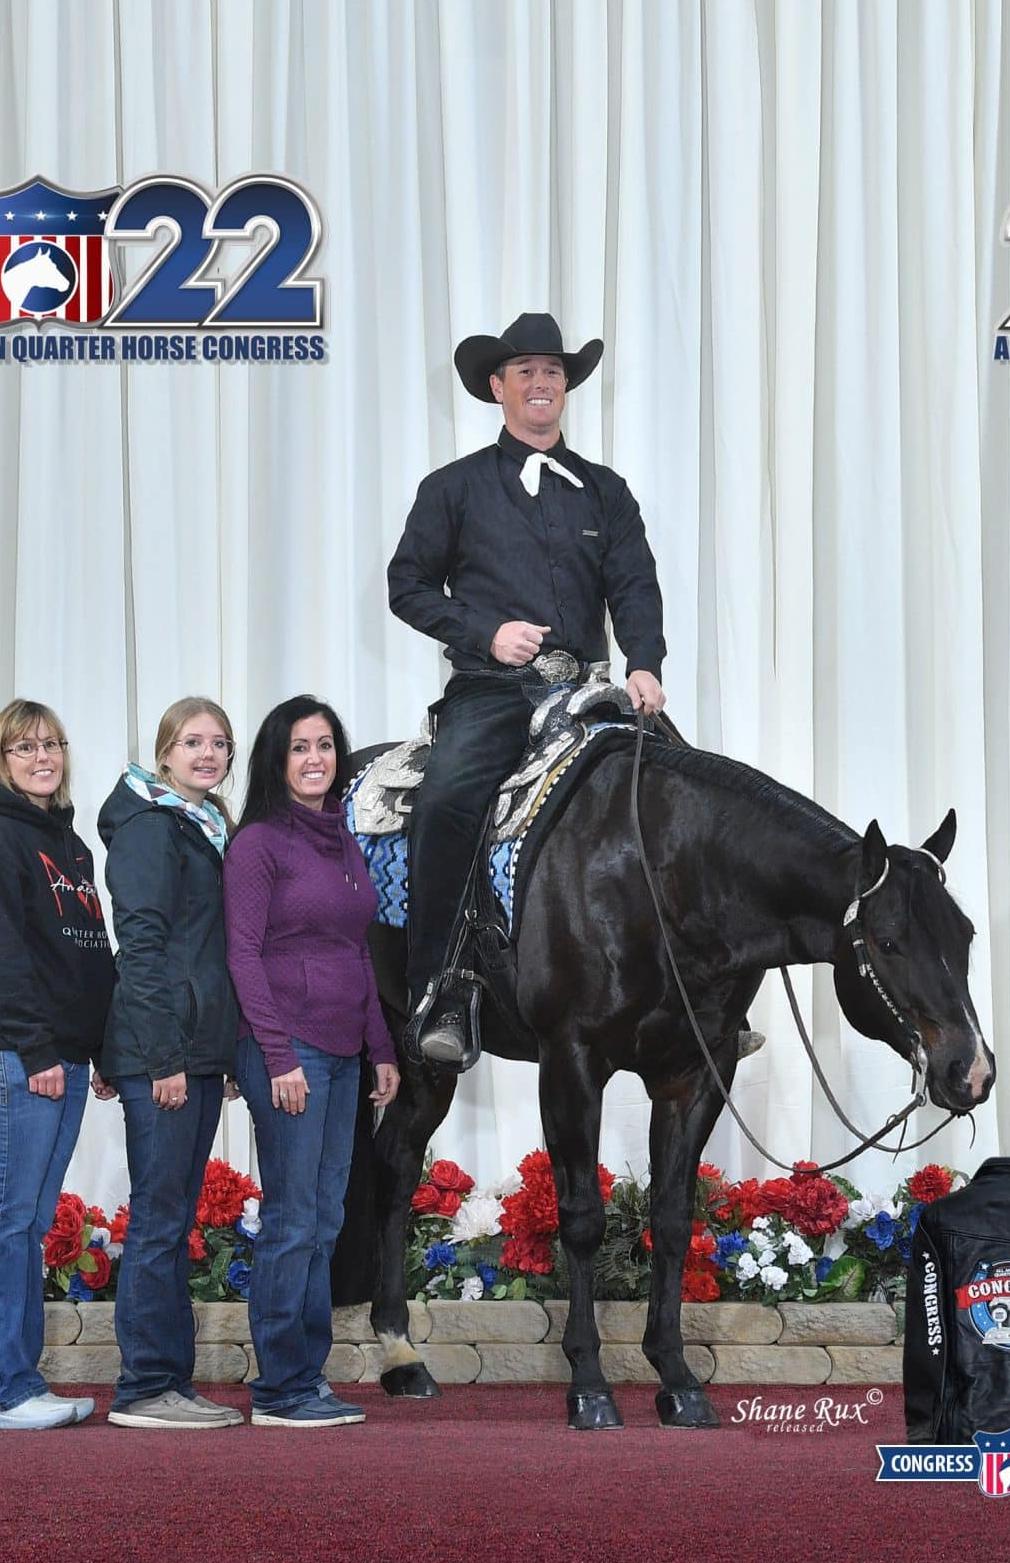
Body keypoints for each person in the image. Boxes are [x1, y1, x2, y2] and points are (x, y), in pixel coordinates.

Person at [386, 312, 666, 1068]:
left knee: (680, 794)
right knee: (446, 801)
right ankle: (438, 987)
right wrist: (485, 632)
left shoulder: (604, 492)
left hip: (586, 689)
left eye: (553, 372)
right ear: (497, 387)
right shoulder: (454, 488)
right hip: (493, 687)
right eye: (527, 372)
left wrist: (645, 662)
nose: (542, 384)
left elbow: (634, 584)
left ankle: (684, 995)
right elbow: (406, 585)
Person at [224, 696, 401, 1428]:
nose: (315, 759)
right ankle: (279, 1388)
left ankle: (309, 1375)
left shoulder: (345, 840)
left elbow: (355, 950)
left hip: (342, 1053)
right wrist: (276, 1057)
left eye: (325, 745)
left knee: (327, 1219)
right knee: (294, 1220)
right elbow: (242, 954)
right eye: (299, 747)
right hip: (288, 1052)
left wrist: (381, 1049)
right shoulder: (258, 844)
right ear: (276, 758)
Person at [0, 700, 116, 1429]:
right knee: (5, 1222)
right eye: (24, 747)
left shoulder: (70, 846)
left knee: (26, 1222)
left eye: (52, 743)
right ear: (1, 759)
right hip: (21, 1054)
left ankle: (19, 1380)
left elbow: (89, 959)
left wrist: (103, 1049)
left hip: (64, 1057)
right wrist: (39, 1049)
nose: (42, 756)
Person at [99, 697, 245, 1429]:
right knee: (159, 1219)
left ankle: (169, 1383)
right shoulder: (154, 829)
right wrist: (164, 1057)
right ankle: (145, 1386)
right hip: (164, 1055)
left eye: (219, 743)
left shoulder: (206, 827)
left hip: (194, 1052)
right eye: (192, 742)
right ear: (163, 754)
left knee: (172, 1217)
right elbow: (144, 947)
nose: (207, 753)